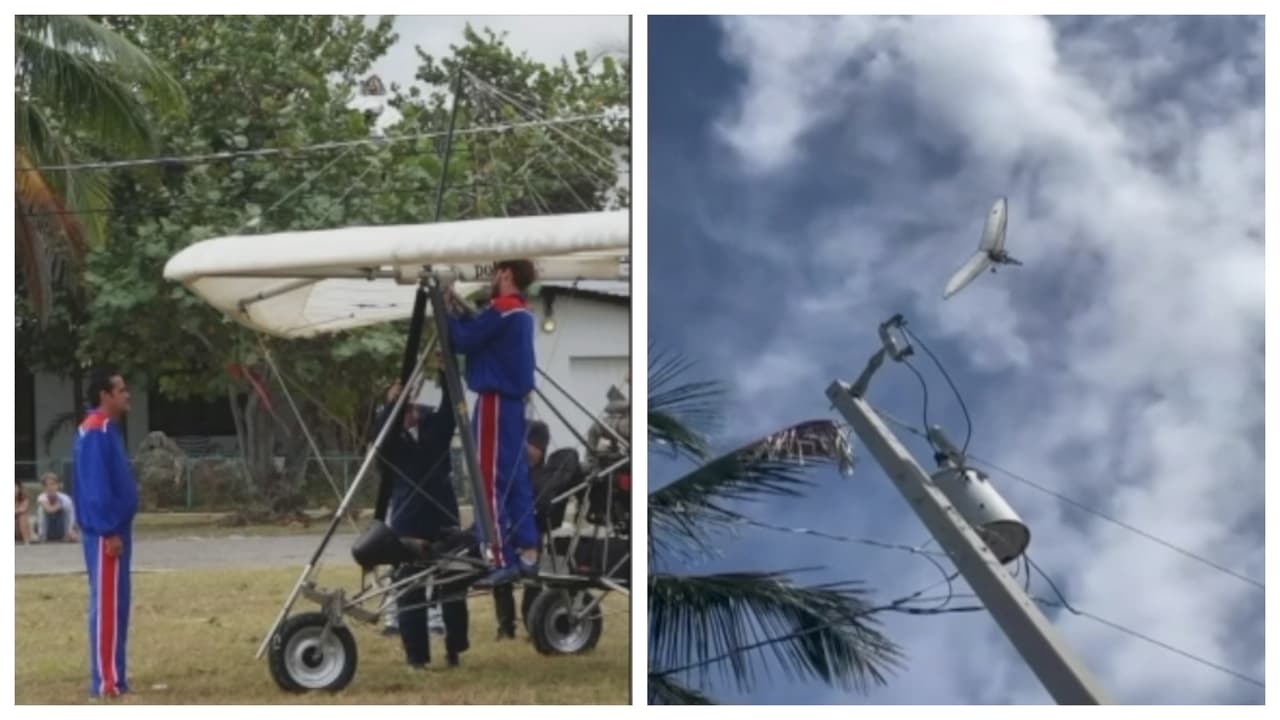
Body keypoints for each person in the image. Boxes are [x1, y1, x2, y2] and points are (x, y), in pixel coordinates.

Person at [446, 259, 540, 588]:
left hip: (495, 402)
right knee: (514, 478)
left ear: (506, 274)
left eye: (496, 274)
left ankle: (499, 556)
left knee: (486, 479)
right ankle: (529, 551)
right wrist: (463, 314)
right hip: (513, 405)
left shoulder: (503, 309)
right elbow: (480, 331)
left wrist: (446, 312)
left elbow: (463, 339)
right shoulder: (522, 313)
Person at [370, 370, 468, 669]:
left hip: (443, 517)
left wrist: (444, 371)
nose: (411, 413)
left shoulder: (433, 430)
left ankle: (454, 648)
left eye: (412, 407)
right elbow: (380, 435)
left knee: (453, 585)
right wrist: (392, 404)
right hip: (408, 521)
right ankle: (416, 657)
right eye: (405, 409)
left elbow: (450, 409)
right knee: (409, 589)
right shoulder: (392, 442)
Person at [73, 368, 139, 699]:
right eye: (121, 390)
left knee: (118, 604)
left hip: (116, 528)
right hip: (106, 533)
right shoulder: (96, 431)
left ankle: (115, 675)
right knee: (108, 606)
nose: (127, 395)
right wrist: (109, 529)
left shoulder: (107, 429)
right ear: (105, 395)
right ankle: (107, 682)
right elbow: (96, 486)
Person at [493, 420, 550, 638]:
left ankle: (533, 624)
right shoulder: (512, 471)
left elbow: (534, 455)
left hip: (532, 526)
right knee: (502, 577)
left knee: (532, 579)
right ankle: (505, 626)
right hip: (508, 525)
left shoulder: (542, 475)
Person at [37, 472, 79, 543]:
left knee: (66, 508)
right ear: (44, 487)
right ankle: (42, 535)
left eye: (53, 484)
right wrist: (57, 505)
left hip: (63, 529)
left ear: (57, 486)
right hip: (49, 529)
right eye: (47, 485)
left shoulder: (66, 498)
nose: (50, 487)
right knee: (41, 509)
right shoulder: (42, 497)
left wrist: (73, 531)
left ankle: (68, 535)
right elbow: (49, 510)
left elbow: (72, 518)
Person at [15, 480, 35, 545]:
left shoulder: (24, 498)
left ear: (19, 488)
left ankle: (26, 540)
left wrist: (16, 511)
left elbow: (23, 509)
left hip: (19, 527)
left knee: (23, 516)